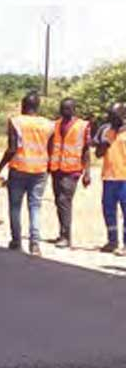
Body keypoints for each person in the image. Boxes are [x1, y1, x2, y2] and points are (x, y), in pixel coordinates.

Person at [0, 92, 54, 256]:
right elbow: (51, 149)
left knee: (15, 206)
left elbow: (11, 149)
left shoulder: (16, 122)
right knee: (35, 207)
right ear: (37, 106)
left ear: (23, 105)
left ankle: (16, 241)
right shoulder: (49, 124)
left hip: (19, 168)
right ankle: (35, 244)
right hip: (40, 169)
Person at [47, 98, 92, 249]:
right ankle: (62, 232)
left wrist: (87, 172)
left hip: (72, 170)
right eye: (62, 108)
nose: (64, 112)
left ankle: (66, 236)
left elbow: (86, 151)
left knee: (64, 201)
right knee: (58, 201)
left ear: (74, 109)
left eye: (67, 109)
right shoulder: (56, 124)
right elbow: (51, 145)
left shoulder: (82, 126)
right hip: (56, 169)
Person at [95, 103, 126, 254]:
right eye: (110, 115)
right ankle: (112, 241)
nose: (112, 119)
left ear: (123, 115)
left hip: (125, 179)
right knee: (108, 210)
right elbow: (98, 154)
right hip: (109, 177)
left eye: (115, 116)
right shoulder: (106, 131)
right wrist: (106, 142)